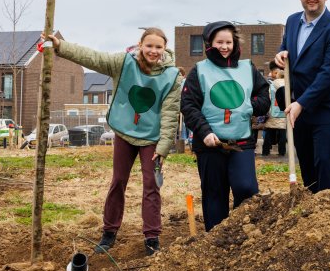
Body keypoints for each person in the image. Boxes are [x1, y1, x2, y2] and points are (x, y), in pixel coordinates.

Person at [44, 28, 182, 256]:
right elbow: (93, 57)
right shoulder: (123, 63)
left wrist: (164, 145)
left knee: (152, 185)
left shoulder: (172, 76)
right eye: (149, 46)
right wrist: (61, 46)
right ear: (140, 44)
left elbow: (170, 113)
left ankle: (151, 236)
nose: (153, 51)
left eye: (158, 47)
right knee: (118, 181)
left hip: (152, 139)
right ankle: (109, 232)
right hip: (125, 132)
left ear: (164, 48)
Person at [181, 21, 270, 231]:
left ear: (235, 42)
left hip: (241, 142)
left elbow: (263, 96)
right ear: (210, 43)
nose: (224, 46)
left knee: (246, 187)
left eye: (228, 42)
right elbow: (189, 106)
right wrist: (205, 132)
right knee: (214, 194)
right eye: (219, 42)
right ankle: (216, 237)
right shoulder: (199, 71)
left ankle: (241, 230)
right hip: (211, 145)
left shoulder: (248, 68)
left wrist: (249, 105)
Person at [274, 0, 330, 194]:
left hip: (328, 108)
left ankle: (329, 213)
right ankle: (312, 217)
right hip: (301, 107)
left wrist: (301, 103)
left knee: (326, 164)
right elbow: (288, 48)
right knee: (307, 163)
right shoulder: (291, 21)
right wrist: (281, 54)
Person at [262, 61, 286, 157]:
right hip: (283, 112)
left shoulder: (271, 85)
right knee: (282, 133)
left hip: (272, 112)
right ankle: (282, 152)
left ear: (275, 73)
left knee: (268, 132)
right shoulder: (287, 84)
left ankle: (265, 151)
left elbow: (267, 98)